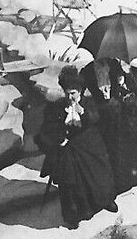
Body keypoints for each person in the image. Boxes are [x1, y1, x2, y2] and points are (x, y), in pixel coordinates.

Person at [36, 61, 119, 229]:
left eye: (73, 93)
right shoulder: (58, 106)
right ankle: (74, 215)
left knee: (99, 173)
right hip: (68, 147)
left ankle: (106, 200)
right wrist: (60, 138)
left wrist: (82, 111)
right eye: (66, 93)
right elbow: (49, 127)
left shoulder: (88, 103)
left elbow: (96, 119)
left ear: (80, 91)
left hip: (89, 143)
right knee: (70, 180)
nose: (69, 97)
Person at [85, 58, 137, 195]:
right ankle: (119, 182)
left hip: (119, 113)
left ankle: (132, 176)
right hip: (102, 117)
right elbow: (83, 93)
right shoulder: (87, 71)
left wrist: (123, 77)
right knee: (111, 149)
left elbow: (126, 83)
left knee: (127, 146)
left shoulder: (114, 65)